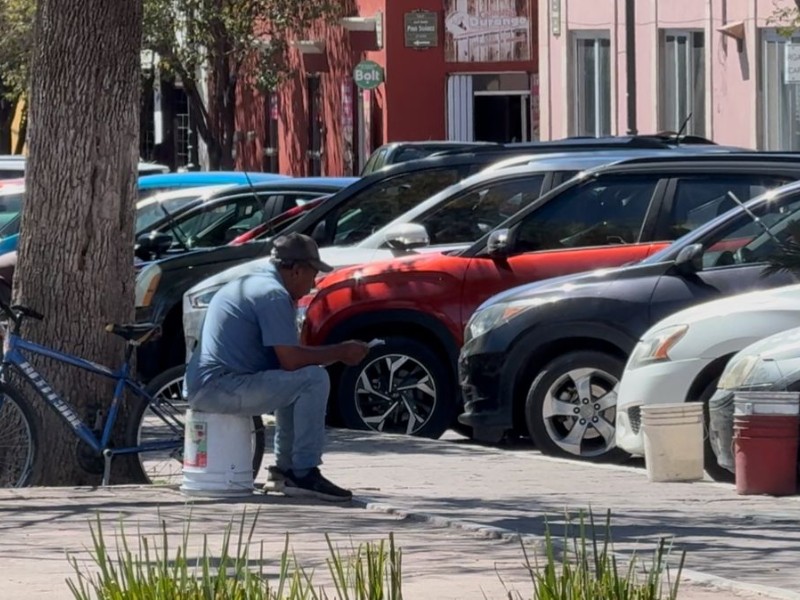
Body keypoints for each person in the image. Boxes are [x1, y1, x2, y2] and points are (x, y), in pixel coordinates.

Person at [184, 232, 370, 501]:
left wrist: (327, 354)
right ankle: (303, 471)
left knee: (298, 379)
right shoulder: (273, 295)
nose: (314, 282)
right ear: (296, 270)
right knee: (314, 380)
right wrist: (341, 351)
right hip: (220, 387)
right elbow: (291, 360)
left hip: (209, 384)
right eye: (312, 273)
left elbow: (286, 364)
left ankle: (285, 471)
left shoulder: (254, 281)